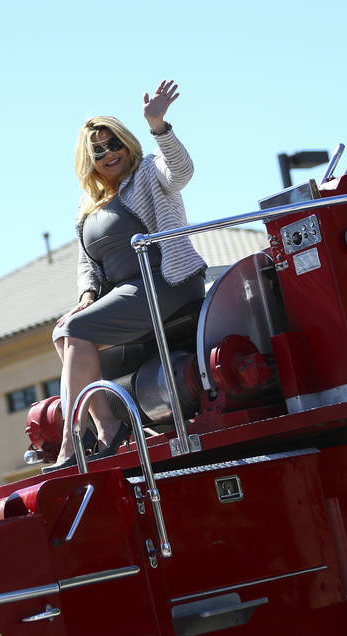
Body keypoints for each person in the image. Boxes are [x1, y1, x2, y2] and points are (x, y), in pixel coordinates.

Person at [51, 79, 206, 466]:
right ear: (89, 160)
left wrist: (158, 125)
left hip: (165, 281)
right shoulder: (88, 206)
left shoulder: (148, 174)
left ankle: (72, 442)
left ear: (127, 143)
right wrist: (86, 298)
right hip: (125, 292)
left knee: (76, 330)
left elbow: (181, 172)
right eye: (98, 150)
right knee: (63, 331)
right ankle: (106, 426)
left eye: (114, 143)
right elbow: (88, 263)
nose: (109, 154)